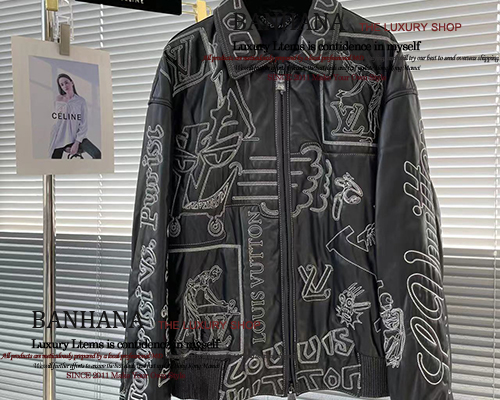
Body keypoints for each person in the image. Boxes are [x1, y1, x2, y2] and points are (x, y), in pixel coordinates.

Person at [49, 73, 101, 159]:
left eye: (66, 82)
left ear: (72, 82)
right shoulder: (58, 99)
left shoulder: (80, 101)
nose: (65, 86)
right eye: (62, 84)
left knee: (97, 154)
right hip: (60, 138)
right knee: (53, 162)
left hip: (77, 138)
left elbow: (84, 124)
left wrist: (76, 143)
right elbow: (58, 122)